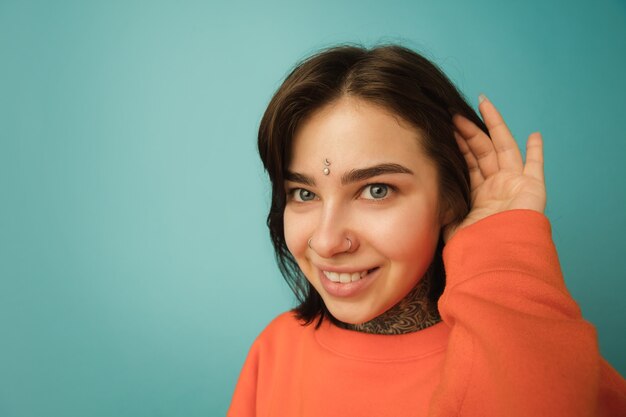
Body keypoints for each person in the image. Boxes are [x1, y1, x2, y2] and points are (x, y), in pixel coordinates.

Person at [227, 44, 626, 416]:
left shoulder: (547, 361)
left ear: (450, 197)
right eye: (303, 193)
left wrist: (502, 243)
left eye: (376, 190)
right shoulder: (275, 350)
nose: (328, 242)